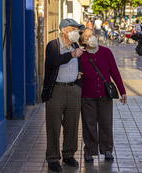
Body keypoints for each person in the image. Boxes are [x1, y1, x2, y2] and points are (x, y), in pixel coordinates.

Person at [41, 18, 85, 172]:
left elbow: (79, 63)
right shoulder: (53, 45)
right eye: (74, 29)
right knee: (53, 125)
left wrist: (79, 76)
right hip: (56, 90)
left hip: (73, 89)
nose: (76, 33)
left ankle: (68, 154)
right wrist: (72, 55)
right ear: (65, 30)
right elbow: (53, 62)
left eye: (77, 30)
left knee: (72, 125)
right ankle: (53, 158)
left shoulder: (75, 44)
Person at [79, 28, 127, 162]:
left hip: (105, 96)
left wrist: (122, 91)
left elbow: (115, 72)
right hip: (87, 96)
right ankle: (89, 150)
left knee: (106, 123)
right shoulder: (80, 55)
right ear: (83, 40)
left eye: (92, 35)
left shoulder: (106, 52)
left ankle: (107, 150)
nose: (90, 38)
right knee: (89, 125)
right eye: (87, 37)